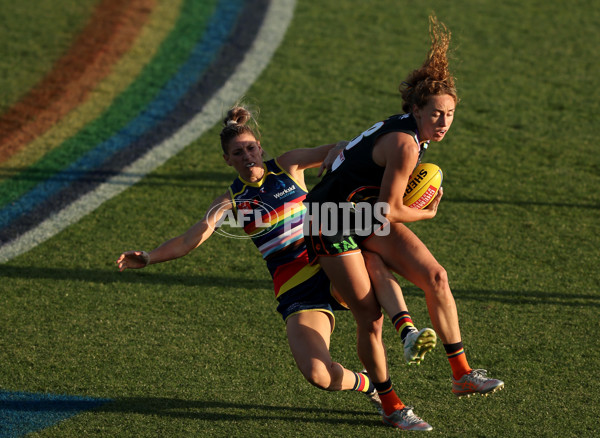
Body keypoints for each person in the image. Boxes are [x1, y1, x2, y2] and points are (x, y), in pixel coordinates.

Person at [116, 104, 436, 431]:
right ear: (227, 160)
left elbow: (342, 148)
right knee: (318, 375)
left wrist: (340, 159)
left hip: (328, 259)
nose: (247, 156)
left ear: (261, 148)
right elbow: (190, 239)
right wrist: (151, 256)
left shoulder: (288, 165)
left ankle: (405, 340)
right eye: (238, 153)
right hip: (296, 288)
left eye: (251, 148)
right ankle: (368, 384)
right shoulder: (233, 200)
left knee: (369, 264)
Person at [303, 15, 504, 430]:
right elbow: (393, 208)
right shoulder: (405, 144)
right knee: (369, 316)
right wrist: (427, 212)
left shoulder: (414, 134)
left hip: (363, 211)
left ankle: (462, 374)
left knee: (436, 276)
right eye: (436, 113)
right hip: (329, 220)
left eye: (449, 114)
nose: (444, 122)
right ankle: (391, 405)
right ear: (415, 109)